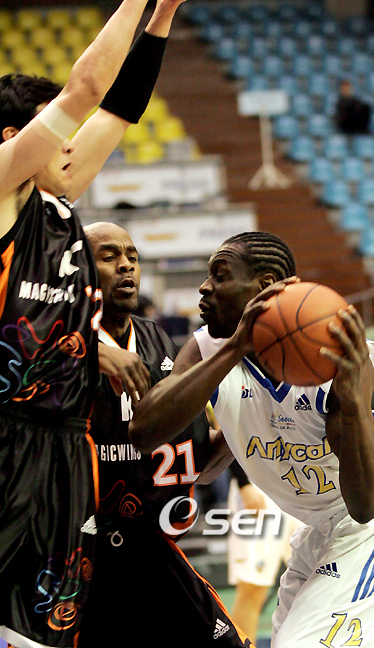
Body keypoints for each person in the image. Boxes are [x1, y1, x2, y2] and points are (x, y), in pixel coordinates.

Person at [0, 0, 204, 645]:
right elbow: (87, 90)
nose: (72, 144)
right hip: (6, 436)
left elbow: (117, 109)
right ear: (14, 137)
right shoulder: (1, 190)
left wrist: (164, 15)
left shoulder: (56, 198)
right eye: (55, 132)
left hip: (64, 448)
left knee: (45, 633)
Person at [129, 230, 374, 648]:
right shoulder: (209, 347)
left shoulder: (335, 353)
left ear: (264, 287)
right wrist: (236, 351)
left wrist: (352, 403)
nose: (204, 287)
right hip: (321, 529)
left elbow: (367, 505)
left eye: (220, 275)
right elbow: (146, 433)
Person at [78, 222, 253, 647]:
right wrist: (91, 353)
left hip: (152, 548)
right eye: (109, 257)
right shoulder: (57, 344)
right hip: (80, 554)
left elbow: (201, 467)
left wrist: (249, 422)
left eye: (132, 257)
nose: (126, 266)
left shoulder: (158, 340)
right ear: (79, 270)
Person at [228, 460, 302, 642]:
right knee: (252, 588)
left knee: (315, 574)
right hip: (256, 482)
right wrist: (243, 483)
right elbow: (225, 441)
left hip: (297, 482)